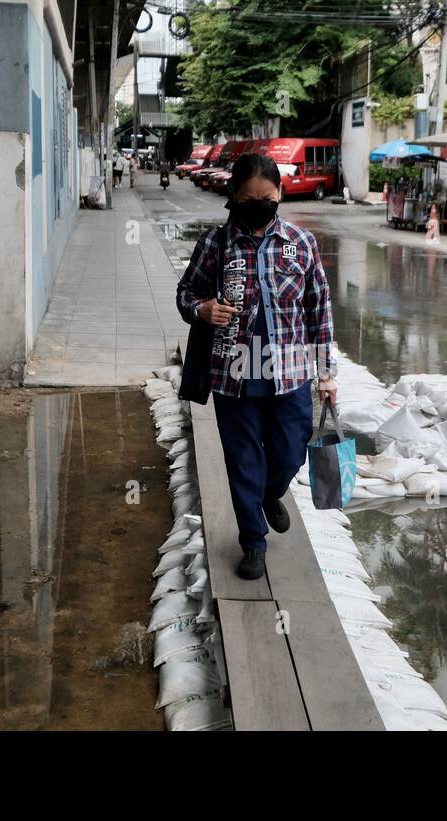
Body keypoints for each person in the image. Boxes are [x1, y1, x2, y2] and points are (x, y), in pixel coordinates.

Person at [176, 153, 337, 580]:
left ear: (279, 195)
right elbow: (186, 294)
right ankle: (253, 542)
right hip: (233, 374)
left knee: (291, 449)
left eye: (267, 198)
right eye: (249, 199)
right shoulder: (214, 243)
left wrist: (327, 372)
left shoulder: (301, 243)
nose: (259, 205)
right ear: (233, 197)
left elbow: (319, 309)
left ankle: (270, 494)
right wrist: (203, 309)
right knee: (242, 460)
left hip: (290, 372)